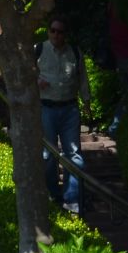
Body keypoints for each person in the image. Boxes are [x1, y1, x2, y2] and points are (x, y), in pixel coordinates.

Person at [38, 18, 91, 212]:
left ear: (65, 34)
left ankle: (72, 199)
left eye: (60, 32)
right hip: (46, 108)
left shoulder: (74, 52)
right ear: (48, 32)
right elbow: (25, 72)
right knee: (49, 155)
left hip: (70, 109)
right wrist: (36, 80)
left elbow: (82, 78)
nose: (56, 35)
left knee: (74, 154)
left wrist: (87, 102)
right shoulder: (39, 50)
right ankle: (53, 194)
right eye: (53, 31)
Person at [108, 5, 128, 137]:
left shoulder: (112, 14)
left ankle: (117, 127)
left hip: (121, 59)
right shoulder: (125, 14)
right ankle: (115, 127)